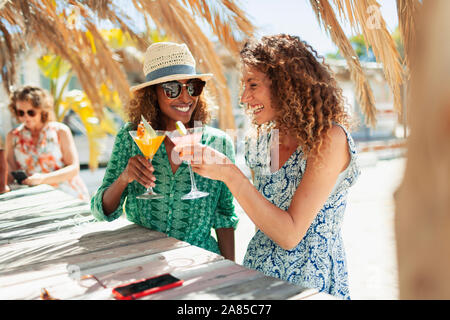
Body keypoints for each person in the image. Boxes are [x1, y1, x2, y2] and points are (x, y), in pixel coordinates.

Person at [177, 34, 361, 299]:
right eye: (243, 86)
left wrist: (228, 173)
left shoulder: (329, 139)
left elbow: (289, 235)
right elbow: (262, 219)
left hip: (312, 286)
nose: (244, 97)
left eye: (253, 85)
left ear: (287, 84)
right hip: (258, 278)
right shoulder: (260, 142)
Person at [90, 42, 238, 261]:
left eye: (192, 87)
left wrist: (230, 271)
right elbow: (101, 211)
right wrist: (125, 178)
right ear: (153, 94)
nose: (186, 97)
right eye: (172, 88)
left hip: (201, 261)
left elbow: (224, 217)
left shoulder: (218, 143)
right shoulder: (132, 136)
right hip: (143, 261)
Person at [5, 85, 89, 201]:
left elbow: (74, 169)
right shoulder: (12, 137)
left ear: (42, 110)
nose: (26, 117)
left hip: (68, 194)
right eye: (21, 112)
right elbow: (10, 173)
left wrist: (43, 179)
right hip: (33, 199)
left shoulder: (60, 131)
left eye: (31, 112)